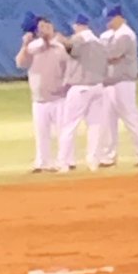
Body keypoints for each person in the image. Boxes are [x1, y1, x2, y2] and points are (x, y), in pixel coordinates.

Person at [99, 4, 138, 167]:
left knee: (130, 117)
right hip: (109, 82)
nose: (107, 22)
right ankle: (109, 156)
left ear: (119, 18)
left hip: (124, 82)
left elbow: (111, 55)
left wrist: (96, 53)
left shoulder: (125, 34)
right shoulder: (110, 34)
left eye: (110, 18)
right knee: (108, 120)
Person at [15, 12, 68, 173]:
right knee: (42, 134)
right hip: (39, 98)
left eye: (47, 26)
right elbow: (20, 63)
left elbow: (69, 69)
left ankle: (63, 162)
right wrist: (25, 45)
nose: (45, 30)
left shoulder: (60, 47)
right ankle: (42, 162)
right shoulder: (32, 47)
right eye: (42, 27)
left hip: (59, 97)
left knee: (63, 133)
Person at [58, 13, 108, 171]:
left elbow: (72, 50)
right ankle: (93, 162)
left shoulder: (78, 39)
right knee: (95, 126)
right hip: (98, 87)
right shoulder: (99, 41)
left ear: (76, 25)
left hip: (81, 87)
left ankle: (63, 163)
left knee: (69, 126)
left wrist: (61, 40)